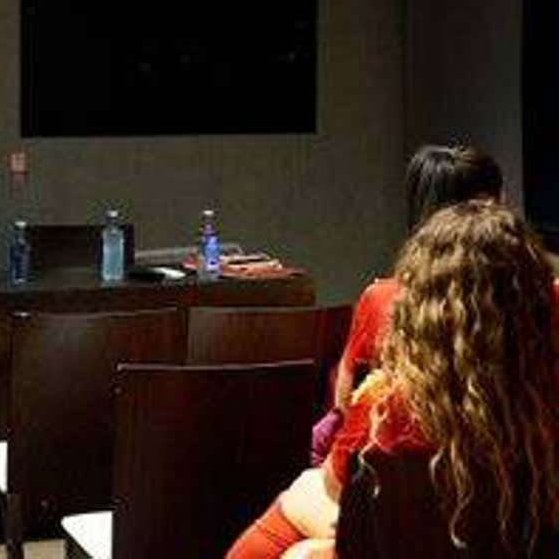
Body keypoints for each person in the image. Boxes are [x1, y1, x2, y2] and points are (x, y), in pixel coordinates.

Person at [229, 201, 559, 558]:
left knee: (299, 521)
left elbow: (335, 493)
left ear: (420, 305)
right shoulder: (541, 402)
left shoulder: (389, 406)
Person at [330, 144, 504, 413]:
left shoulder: (380, 300)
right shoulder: (541, 296)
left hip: (405, 453)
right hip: (520, 451)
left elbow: (347, 404)